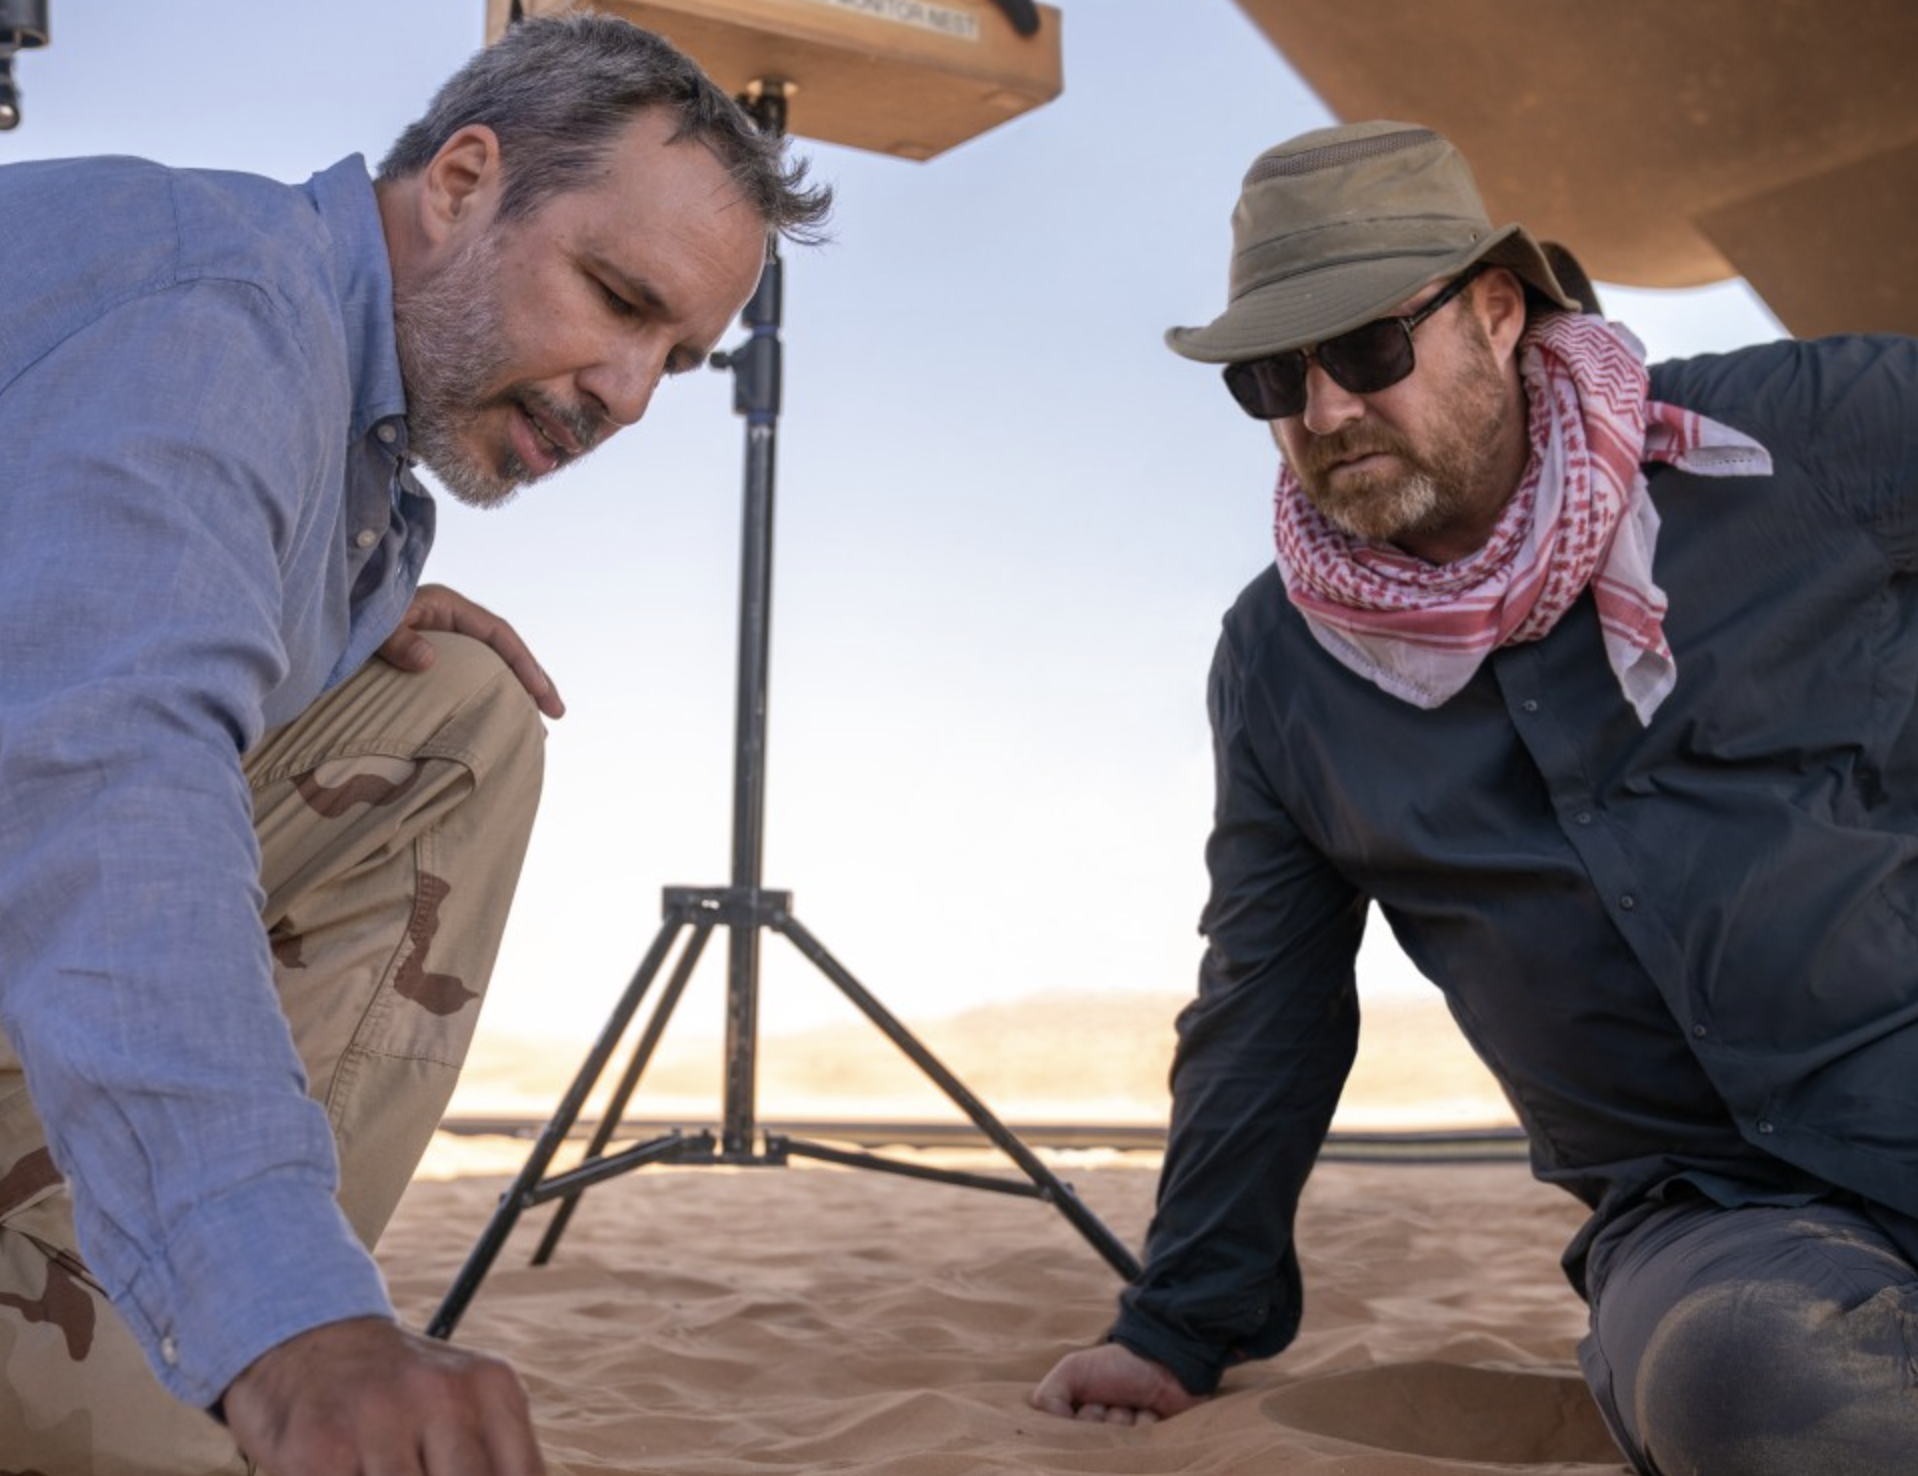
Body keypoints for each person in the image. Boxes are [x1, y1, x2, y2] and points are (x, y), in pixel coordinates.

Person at [0, 14, 830, 1473]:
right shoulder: (219, 317)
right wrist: (288, 1317)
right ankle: (252, 1354)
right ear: (459, 182)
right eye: (617, 298)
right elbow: (109, 782)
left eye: (678, 358)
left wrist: (334, 606)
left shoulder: (353, 451)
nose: (629, 395)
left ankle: (123, 1350)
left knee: (455, 707)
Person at [1031, 119, 1918, 1475]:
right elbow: (1267, 1005)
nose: (1325, 411)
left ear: (1497, 313)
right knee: (1757, 1390)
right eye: (1271, 377)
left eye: (1364, 349)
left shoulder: (1797, 438)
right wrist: (1175, 1328)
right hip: (1714, 1221)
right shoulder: (1282, 664)